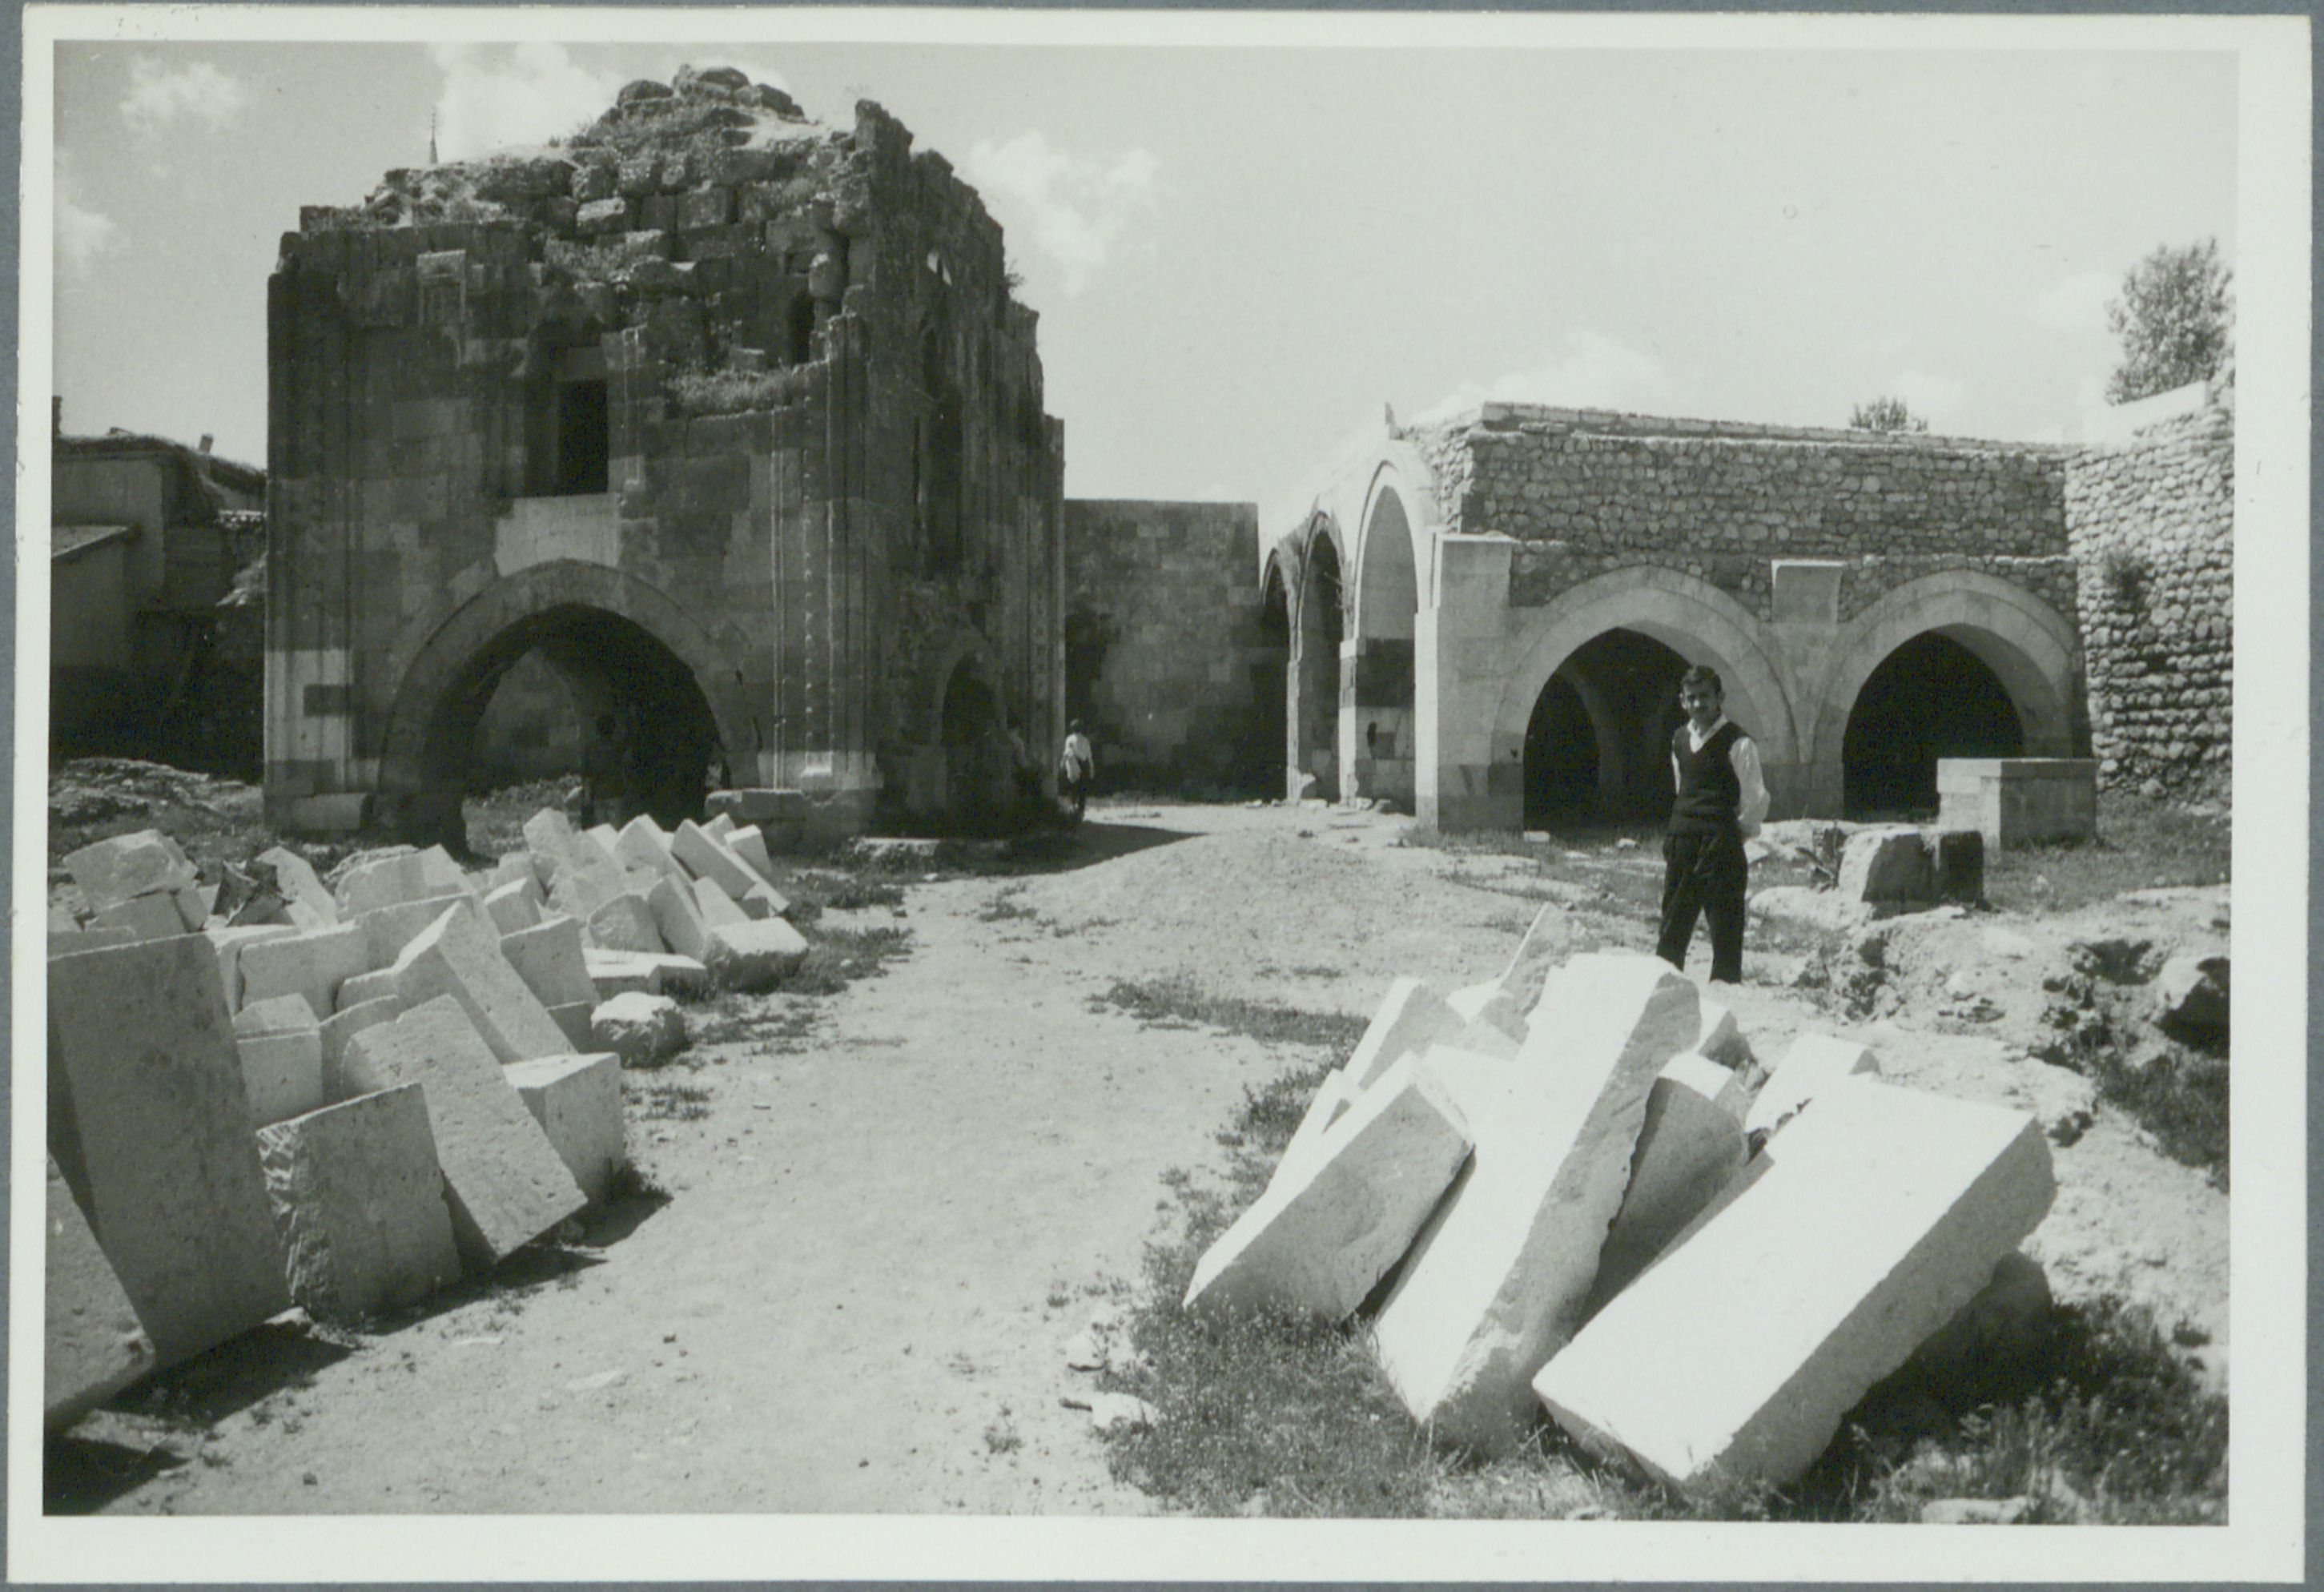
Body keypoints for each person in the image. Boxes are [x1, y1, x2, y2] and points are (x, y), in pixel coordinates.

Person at [1656, 665, 1769, 985]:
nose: (1698, 704)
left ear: (1720, 697)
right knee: (1672, 928)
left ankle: (1726, 995)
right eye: (1691, 698)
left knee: (1725, 931)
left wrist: (1732, 836)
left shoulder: (1739, 743)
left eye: (1704, 697)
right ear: (1682, 701)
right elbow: (1683, 788)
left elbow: (1754, 799)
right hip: (1682, 843)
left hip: (1720, 846)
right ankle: (1665, 996)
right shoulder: (1679, 739)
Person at [1058, 718, 1094, 823]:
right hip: (1084, 765)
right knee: (1082, 791)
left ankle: (1072, 812)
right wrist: (1092, 768)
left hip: (1073, 765)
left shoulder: (1069, 739)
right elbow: (1089, 756)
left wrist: (1062, 764)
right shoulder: (1085, 740)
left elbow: (1066, 752)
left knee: (1072, 789)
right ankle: (1081, 813)